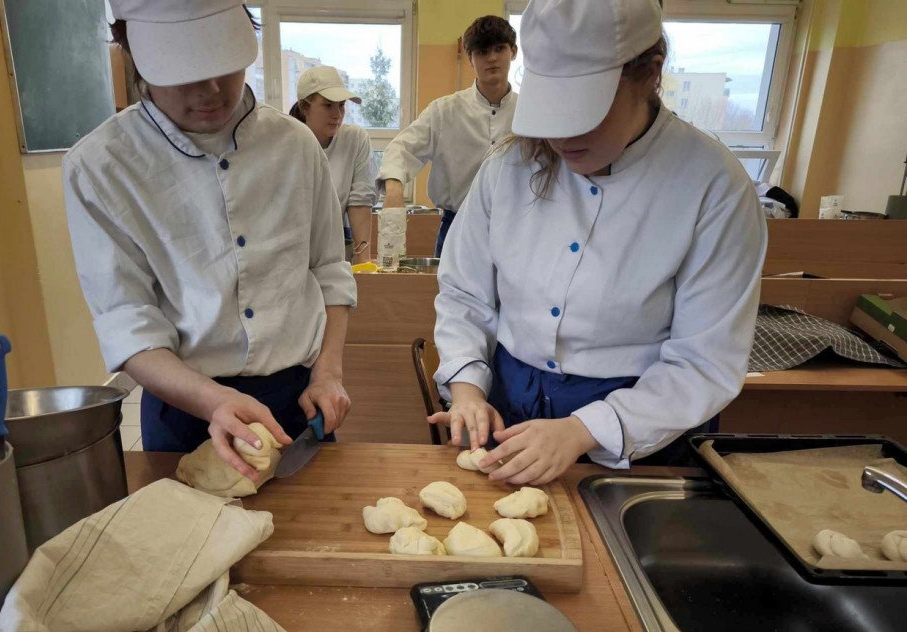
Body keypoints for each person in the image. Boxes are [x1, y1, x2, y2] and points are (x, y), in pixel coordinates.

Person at [429, 0, 767, 486]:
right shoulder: (509, 169)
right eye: (552, 115)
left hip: (642, 427)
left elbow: (703, 361)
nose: (561, 138)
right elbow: (464, 293)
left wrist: (585, 429)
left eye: (584, 114)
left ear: (649, 73)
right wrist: (467, 388)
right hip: (510, 403)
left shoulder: (713, 185)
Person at [62, 0, 356, 481]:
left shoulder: (296, 147)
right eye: (184, 71)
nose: (212, 89)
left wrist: (328, 372)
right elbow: (127, 322)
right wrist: (213, 400)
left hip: (296, 403)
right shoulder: (99, 168)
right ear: (131, 48)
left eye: (222, 62)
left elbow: (328, 271)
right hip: (184, 409)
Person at [377, 15, 518, 257]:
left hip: (516, 230)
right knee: (450, 295)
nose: (492, 58)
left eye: (499, 48)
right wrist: (394, 191)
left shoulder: (530, 112)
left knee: (516, 296)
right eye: (483, 51)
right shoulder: (444, 111)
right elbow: (402, 148)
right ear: (470, 58)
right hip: (457, 227)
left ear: (513, 51)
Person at [289, 66, 378, 264]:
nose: (337, 114)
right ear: (304, 107)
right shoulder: (286, 143)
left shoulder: (354, 139)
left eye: (341, 106)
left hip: (335, 245)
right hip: (291, 248)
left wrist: (364, 260)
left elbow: (360, 200)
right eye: (328, 105)